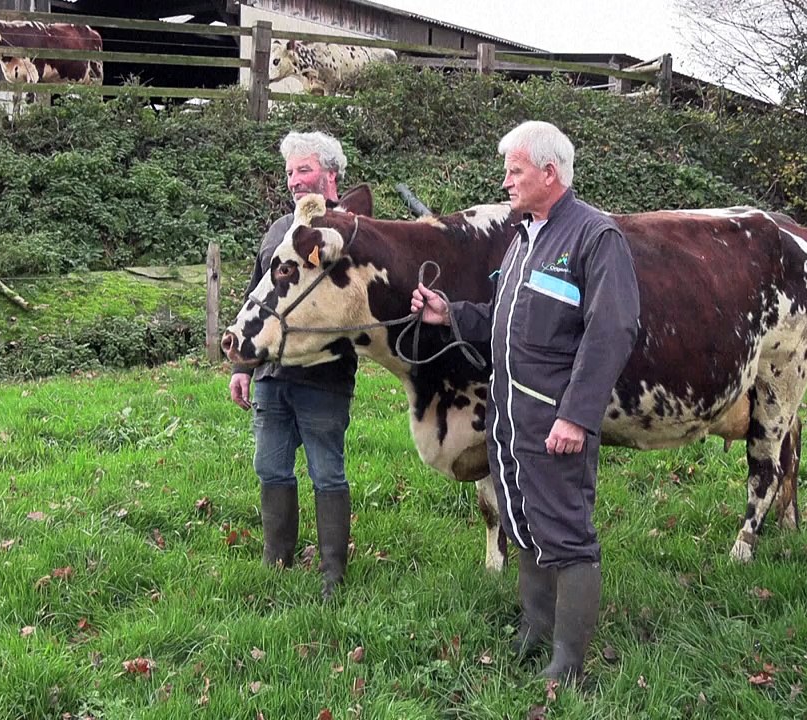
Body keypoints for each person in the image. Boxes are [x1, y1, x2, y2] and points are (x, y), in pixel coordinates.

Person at [411, 121, 642, 681]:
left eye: (514, 171)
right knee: (524, 522)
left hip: (555, 419)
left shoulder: (594, 238)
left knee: (566, 532)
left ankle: (568, 662)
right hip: (511, 417)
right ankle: (535, 631)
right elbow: (505, 320)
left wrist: (576, 416)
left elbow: (612, 331)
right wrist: (451, 314)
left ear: (549, 173)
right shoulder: (524, 238)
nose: (506, 181)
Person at [229, 131, 357, 600]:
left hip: (324, 379)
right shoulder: (278, 230)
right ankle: (277, 561)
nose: (295, 180)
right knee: (270, 467)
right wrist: (242, 367)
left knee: (327, 472)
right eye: (289, 173)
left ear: (330, 174)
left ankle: (332, 573)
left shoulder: (352, 231)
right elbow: (255, 298)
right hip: (271, 377)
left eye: (304, 170)